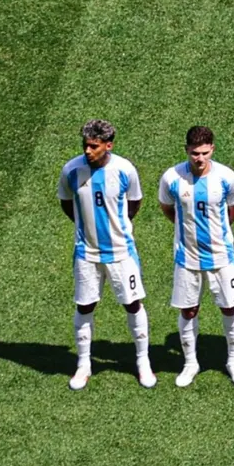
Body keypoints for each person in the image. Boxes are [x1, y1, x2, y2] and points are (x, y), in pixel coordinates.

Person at [57, 119, 155, 390]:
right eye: (85, 145)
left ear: (108, 145)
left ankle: (143, 361)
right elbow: (66, 202)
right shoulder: (71, 170)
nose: (88, 151)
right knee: (85, 305)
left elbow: (134, 203)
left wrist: (118, 229)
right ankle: (84, 364)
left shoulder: (125, 170)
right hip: (86, 254)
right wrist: (84, 228)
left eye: (94, 146)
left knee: (132, 304)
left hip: (122, 252)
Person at [158, 126, 234, 387]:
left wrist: (216, 234)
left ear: (213, 150)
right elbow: (167, 208)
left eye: (205, 153)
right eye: (194, 153)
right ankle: (190, 363)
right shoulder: (171, 178)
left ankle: (233, 361)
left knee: (229, 307)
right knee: (188, 310)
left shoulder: (227, 178)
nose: (199, 158)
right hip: (187, 258)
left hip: (222, 257)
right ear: (186, 150)